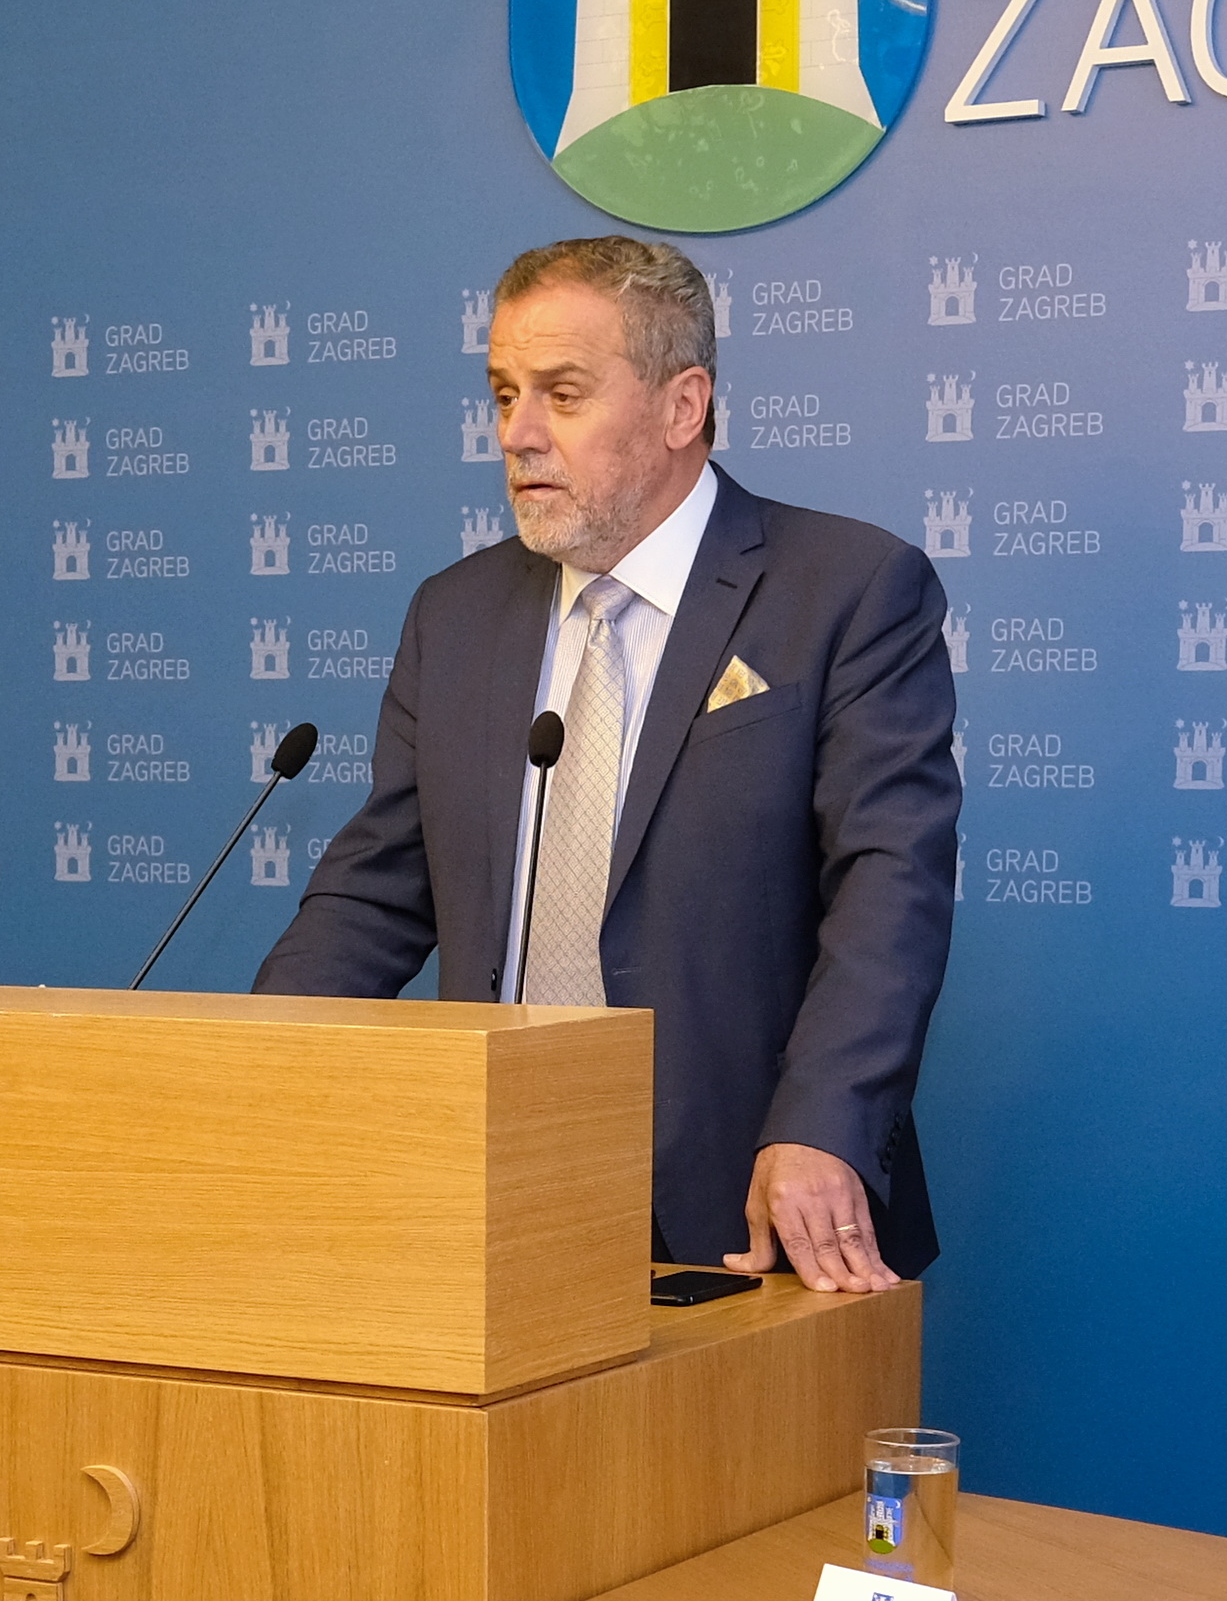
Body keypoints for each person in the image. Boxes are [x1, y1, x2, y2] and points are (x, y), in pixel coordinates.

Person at [254, 233, 960, 1286]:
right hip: (492, 1191)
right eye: (503, 395)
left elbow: (889, 887)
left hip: (748, 1203)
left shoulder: (846, 589)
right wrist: (252, 1074)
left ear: (682, 406)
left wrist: (823, 1126)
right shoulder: (455, 614)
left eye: (562, 393)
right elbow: (376, 894)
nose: (517, 433)